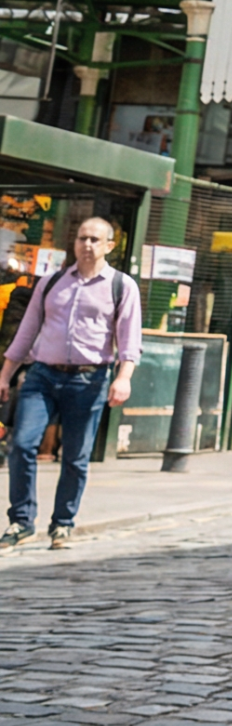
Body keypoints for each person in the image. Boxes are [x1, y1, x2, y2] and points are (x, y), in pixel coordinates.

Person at [1, 217, 140, 550]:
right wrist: (5, 375)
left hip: (89, 379)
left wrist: (124, 378)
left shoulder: (121, 286)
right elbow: (26, 331)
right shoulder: (51, 283)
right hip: (42, 374)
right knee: (21, 444)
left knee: (75, 456)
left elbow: (129, 339)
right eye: (81, 238)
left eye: (94, 239)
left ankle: (62, 524)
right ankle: (21, 521)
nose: (87, 245)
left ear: (109, 246)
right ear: (74, 243)